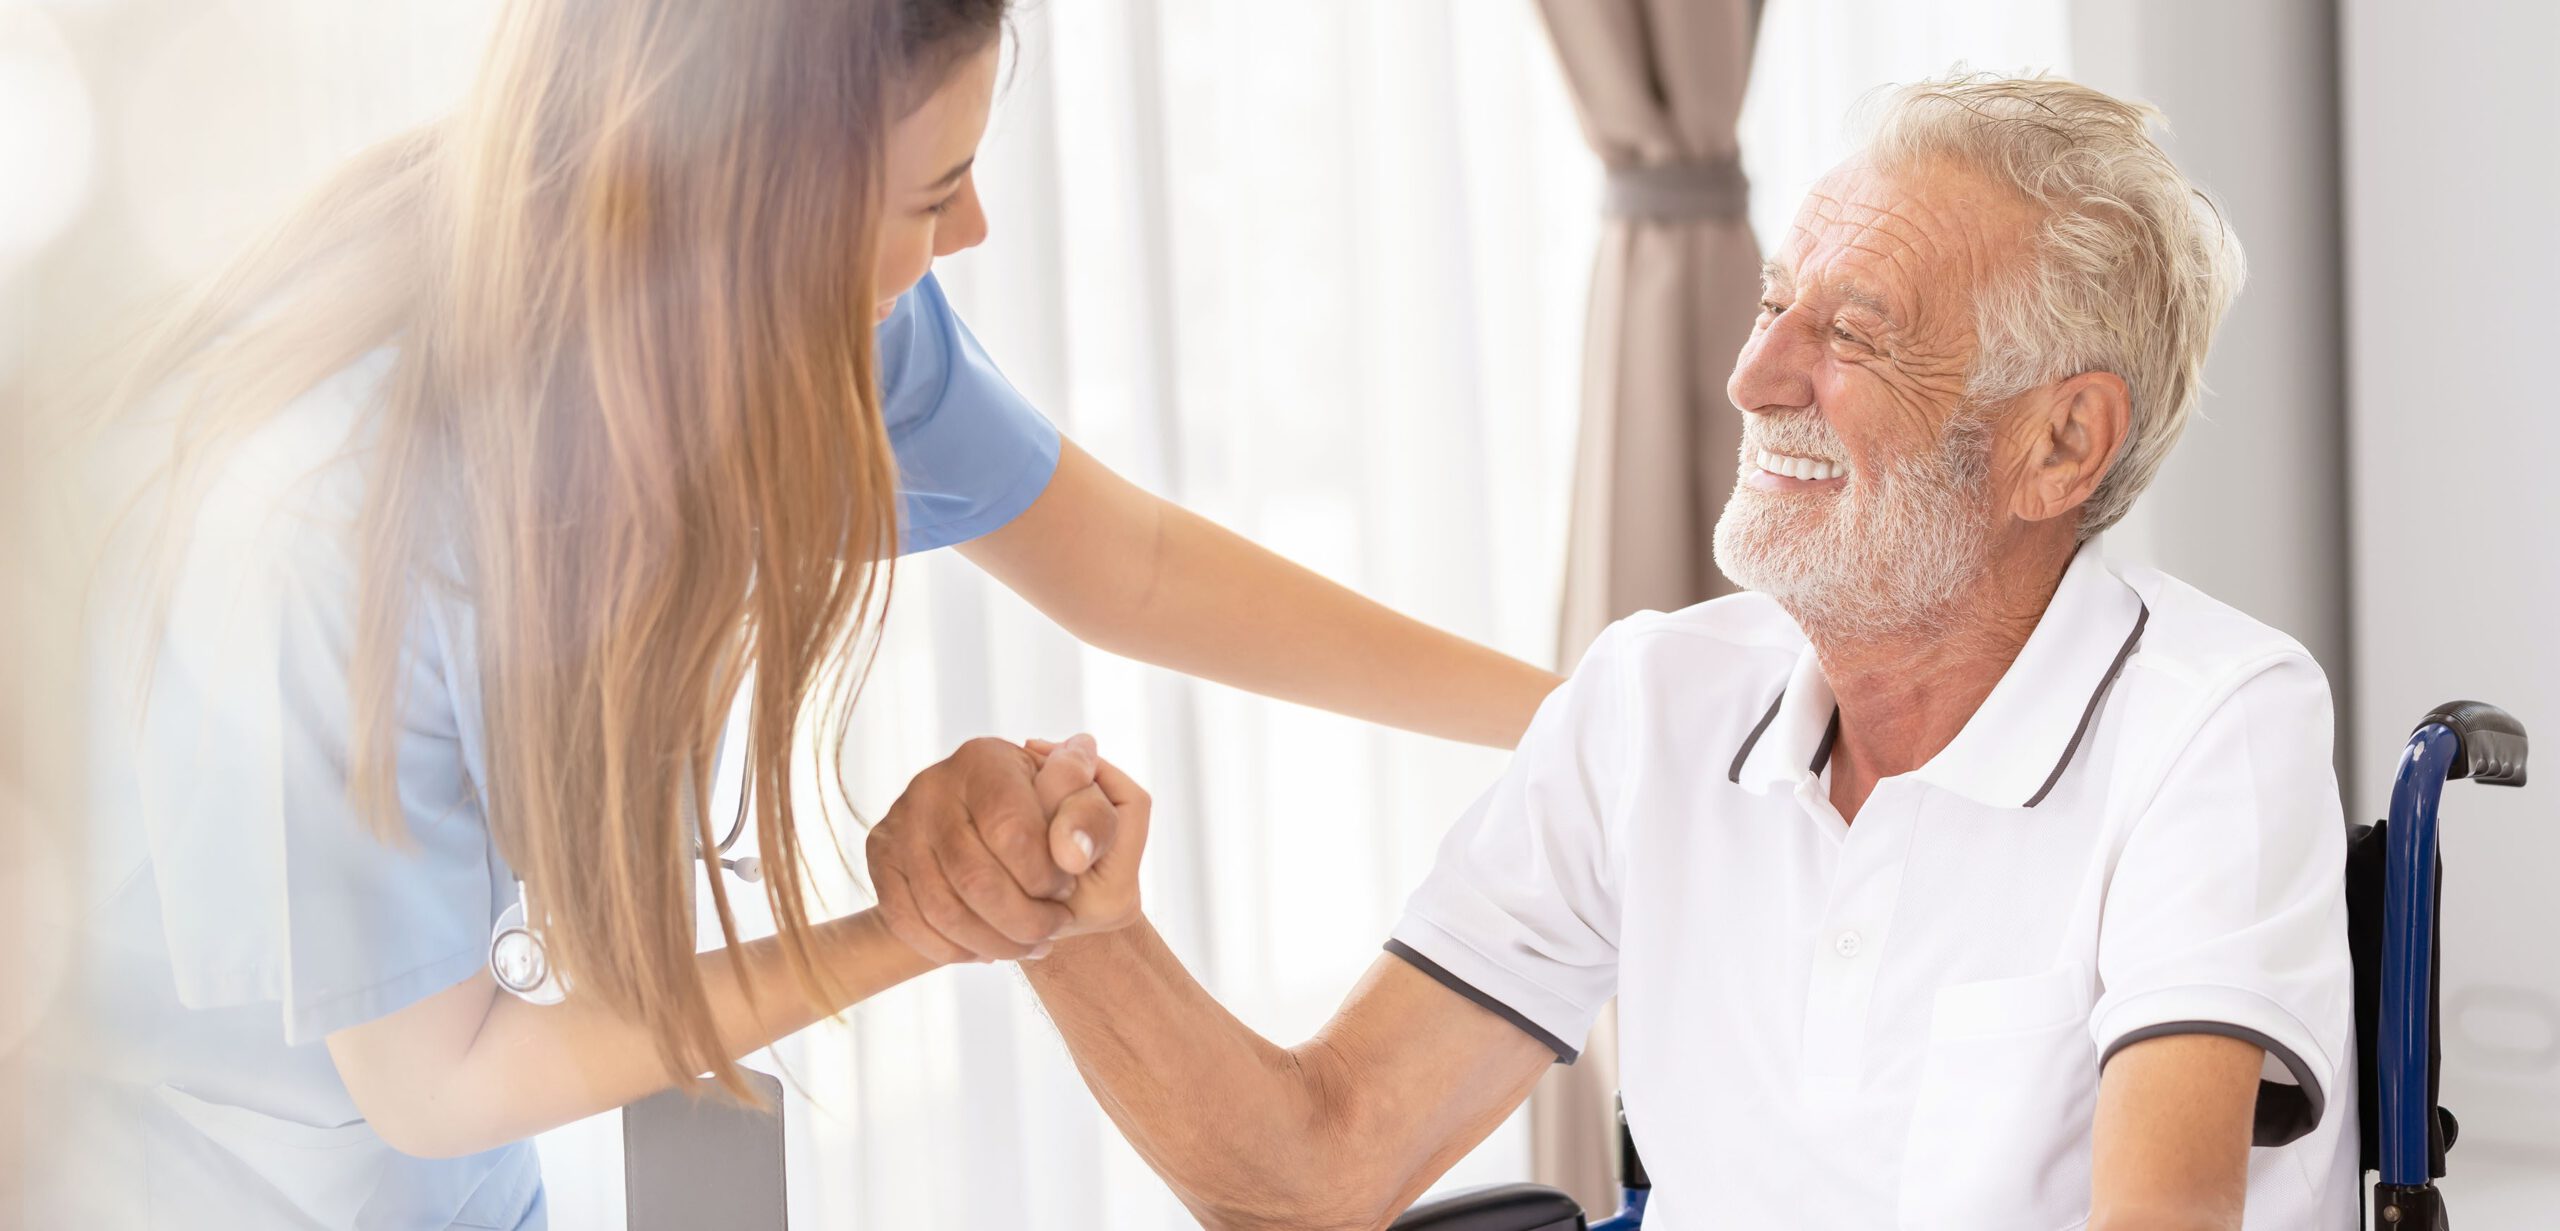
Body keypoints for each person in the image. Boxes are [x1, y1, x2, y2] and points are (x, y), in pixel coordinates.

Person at [33, 1, 1557, 1227]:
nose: (967, 241)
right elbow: (437, 1081)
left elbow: (1132, 568)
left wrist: (1590, 713)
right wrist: (914, 926)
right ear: (741, 209)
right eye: (932, 193)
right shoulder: (333, 517)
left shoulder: (824, 326)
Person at [996, 74, 2359, 1229]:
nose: (1754, 378)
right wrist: (1080, 932)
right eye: (1778, 307)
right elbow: (1319, 1163)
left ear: (2058, 445)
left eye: (1854, 337)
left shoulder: (2214, 721)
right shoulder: (1651, 702)